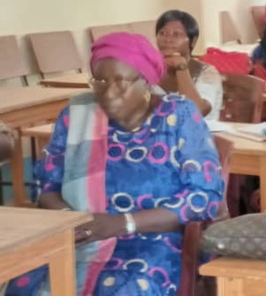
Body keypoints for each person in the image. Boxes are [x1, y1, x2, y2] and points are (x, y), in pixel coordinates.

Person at [6, 33, 224, 296]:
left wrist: (122, 223)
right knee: (23, 284)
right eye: (100, 81)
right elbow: (45, 186)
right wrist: (71, 220)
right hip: (80, 238)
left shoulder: (179, 116)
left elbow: (203, 198)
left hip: (157, 240)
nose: (108, 93)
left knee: (127, 290)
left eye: (121, 82)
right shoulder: (76, 117)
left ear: (146, 81)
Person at [153, 10, 222, 121]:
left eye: (176, 34)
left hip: (199, 135)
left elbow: (196, 112)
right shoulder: (150, 69)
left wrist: (181, 67)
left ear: (193, 41)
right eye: (162, 33)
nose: (168, 39)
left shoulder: (206, 72)